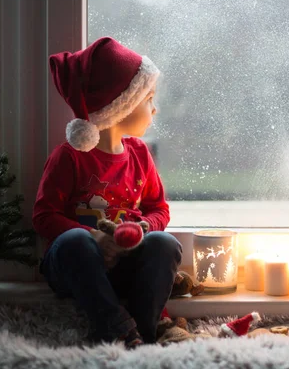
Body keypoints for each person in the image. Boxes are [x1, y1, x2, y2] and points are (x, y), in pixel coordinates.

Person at [33, 37, 182, 348]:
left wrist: (144, 229)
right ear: (120, 106)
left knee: (165, 244)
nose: (155, 108)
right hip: (78, 268)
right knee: (75, 242)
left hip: (126, 264)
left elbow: (159, 209)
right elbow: (44, 216)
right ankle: (114, 327)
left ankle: (142, 329)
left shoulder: (140, 154)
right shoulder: (69, 157)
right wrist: (96, 239)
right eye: (148, 98)